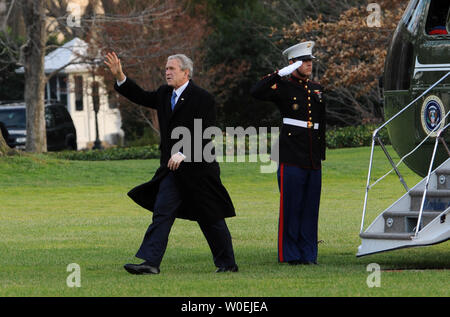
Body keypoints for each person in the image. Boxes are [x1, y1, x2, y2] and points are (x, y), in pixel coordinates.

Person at [104, 52, 238, 274]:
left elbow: (207, 131)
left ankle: (227, 264)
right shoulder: (164, 94)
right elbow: (140, 96)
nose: (167, 72)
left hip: (199, 170)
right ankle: (150, 263)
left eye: (172, 69)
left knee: (210, 218)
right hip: (172, 171)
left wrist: (184, 152)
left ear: (186, 72)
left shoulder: (203, 98)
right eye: (166, 69)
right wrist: (120, 76)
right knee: (162, 213)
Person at [250, 41, 326, 265]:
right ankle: (290, 255)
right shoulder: (282, 87)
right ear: (292, 64)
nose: (309, 64)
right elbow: (256, 91)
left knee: (310, 208)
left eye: (310, 60)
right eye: (304, 61)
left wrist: (321, 154)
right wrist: (278, 74)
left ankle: (309, 254)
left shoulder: (317, 88)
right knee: (291, 207)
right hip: (291, 154)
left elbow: (322, 123)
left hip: (312, 155)